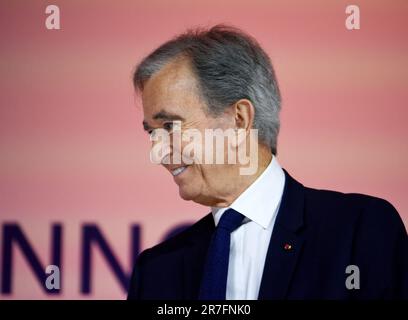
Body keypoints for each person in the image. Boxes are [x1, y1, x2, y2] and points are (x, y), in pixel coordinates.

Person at [127, 25, 407, 300]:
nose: (158, 152)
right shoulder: (156, 271)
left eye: (169, 126)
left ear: (239, 119)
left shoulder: (359, 231)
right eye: (152, 132)